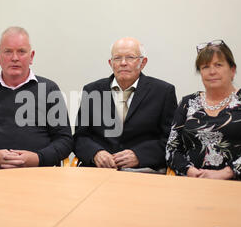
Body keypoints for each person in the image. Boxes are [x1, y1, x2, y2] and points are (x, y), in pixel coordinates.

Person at [0, 27, 73, 170]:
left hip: (39, 171)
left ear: (31, 56)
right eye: (8, 51)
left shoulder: (49, 89)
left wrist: (38, 158)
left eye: (21, 51)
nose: (14, 58)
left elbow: (65, 140)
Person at [166, 39, 241, 180]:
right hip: (194, 182)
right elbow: (172, 148)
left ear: (232, 70)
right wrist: (189, 171)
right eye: (205, 67)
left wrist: (226, 173)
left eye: (218, 65)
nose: (212, 72)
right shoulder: (188, 102)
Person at [74, 37, 177, 171]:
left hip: (143, 171)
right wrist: (96, 153)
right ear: (110, 63)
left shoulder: (163, 92)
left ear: (143, 62)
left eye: (130, 57)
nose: (123, 63)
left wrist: (139, 155)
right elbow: (80, 137)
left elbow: (171, 141)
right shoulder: (92, 90)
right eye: (117, 58)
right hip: (99, 170)